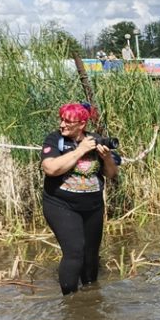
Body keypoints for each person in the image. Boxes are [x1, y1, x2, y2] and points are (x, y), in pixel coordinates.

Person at [41, 103, 120, 295]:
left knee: (90, 256)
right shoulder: (55, 140)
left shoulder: (95, 140)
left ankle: (90, 299)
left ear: (82, 124)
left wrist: (107, 157)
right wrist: (80, 150)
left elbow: (111, 174)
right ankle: (70, 302)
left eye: (68, 121)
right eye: (61, 119)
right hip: (61, 205)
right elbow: (50, 169)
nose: (62, 124)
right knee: (74, 252)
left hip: (93, 206)